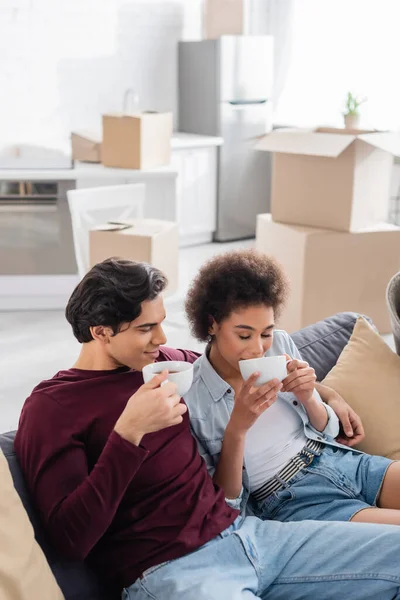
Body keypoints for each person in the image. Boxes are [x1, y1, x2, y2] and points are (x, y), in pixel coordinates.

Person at [14, 258, 400, 600]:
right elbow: (68, 541)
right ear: (101, 333)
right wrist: (127, 435)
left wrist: (325, 391)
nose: (163, 339)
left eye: (162, 323)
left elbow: (231, 362)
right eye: (147, 328)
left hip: (251, 536)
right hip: (172, 570)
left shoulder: (169, 365)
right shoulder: (52, 407)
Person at [184, 248, 400, 528]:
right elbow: (226, 501)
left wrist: (309, 395)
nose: (258, 348)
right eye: (244, 335)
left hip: (340, 461)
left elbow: (328, 431)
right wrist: (237, 429)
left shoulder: (281, 345)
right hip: (291, 499)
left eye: (266, 332)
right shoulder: (193, 397)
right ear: (212, 324)